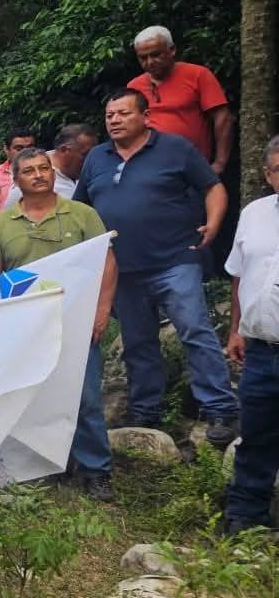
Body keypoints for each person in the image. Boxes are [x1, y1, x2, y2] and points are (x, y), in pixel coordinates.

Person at [74, 88, 238, 446]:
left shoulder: (174, 148)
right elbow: (80, 210)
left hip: (174, 259)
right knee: (137, 342)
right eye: (109, 115)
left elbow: (213, 188)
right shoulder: (96, 158)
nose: (114, 120)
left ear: (145, 116)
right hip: (122, 269)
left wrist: (213, 222)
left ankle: (220, 407)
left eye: (123, 113)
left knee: (194, 330)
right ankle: (146, 411)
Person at [0, 148, 119, 498]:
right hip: (23, 326)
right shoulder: (2, 223)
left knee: (84, 395)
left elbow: (107, 262)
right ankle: (45, 463)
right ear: (16, 180)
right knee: (33, 395)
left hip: (76, 319)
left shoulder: (82, 214)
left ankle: (95, 469)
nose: (39, 174)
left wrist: (102, 310)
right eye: (29, 170)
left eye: (45, 168)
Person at [223, 136, 279, 533]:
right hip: (260, 347)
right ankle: (246, 518)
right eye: (278, 170)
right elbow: (239, 273)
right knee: (256, 436)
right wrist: (236, 330)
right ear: (267, 174)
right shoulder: (254, 213)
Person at [129, 25, 233, 172]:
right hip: (149, 168)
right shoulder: (134, 86)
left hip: (191, 167)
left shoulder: (197, 75)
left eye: (155, 54)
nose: (149, 62)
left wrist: (220, 162)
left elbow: (223, 118)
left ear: (172, 50)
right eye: (143, 58)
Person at [7, 125, 97, 206]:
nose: (90, 159)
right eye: (85, 154)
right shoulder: (31, 177)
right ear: (65, 150)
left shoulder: (87, 174)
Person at [0, 129, 39, 212]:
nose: (25, 153)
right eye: (19, 149)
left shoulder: (47, 173)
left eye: (30, 148)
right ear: (6, 149)